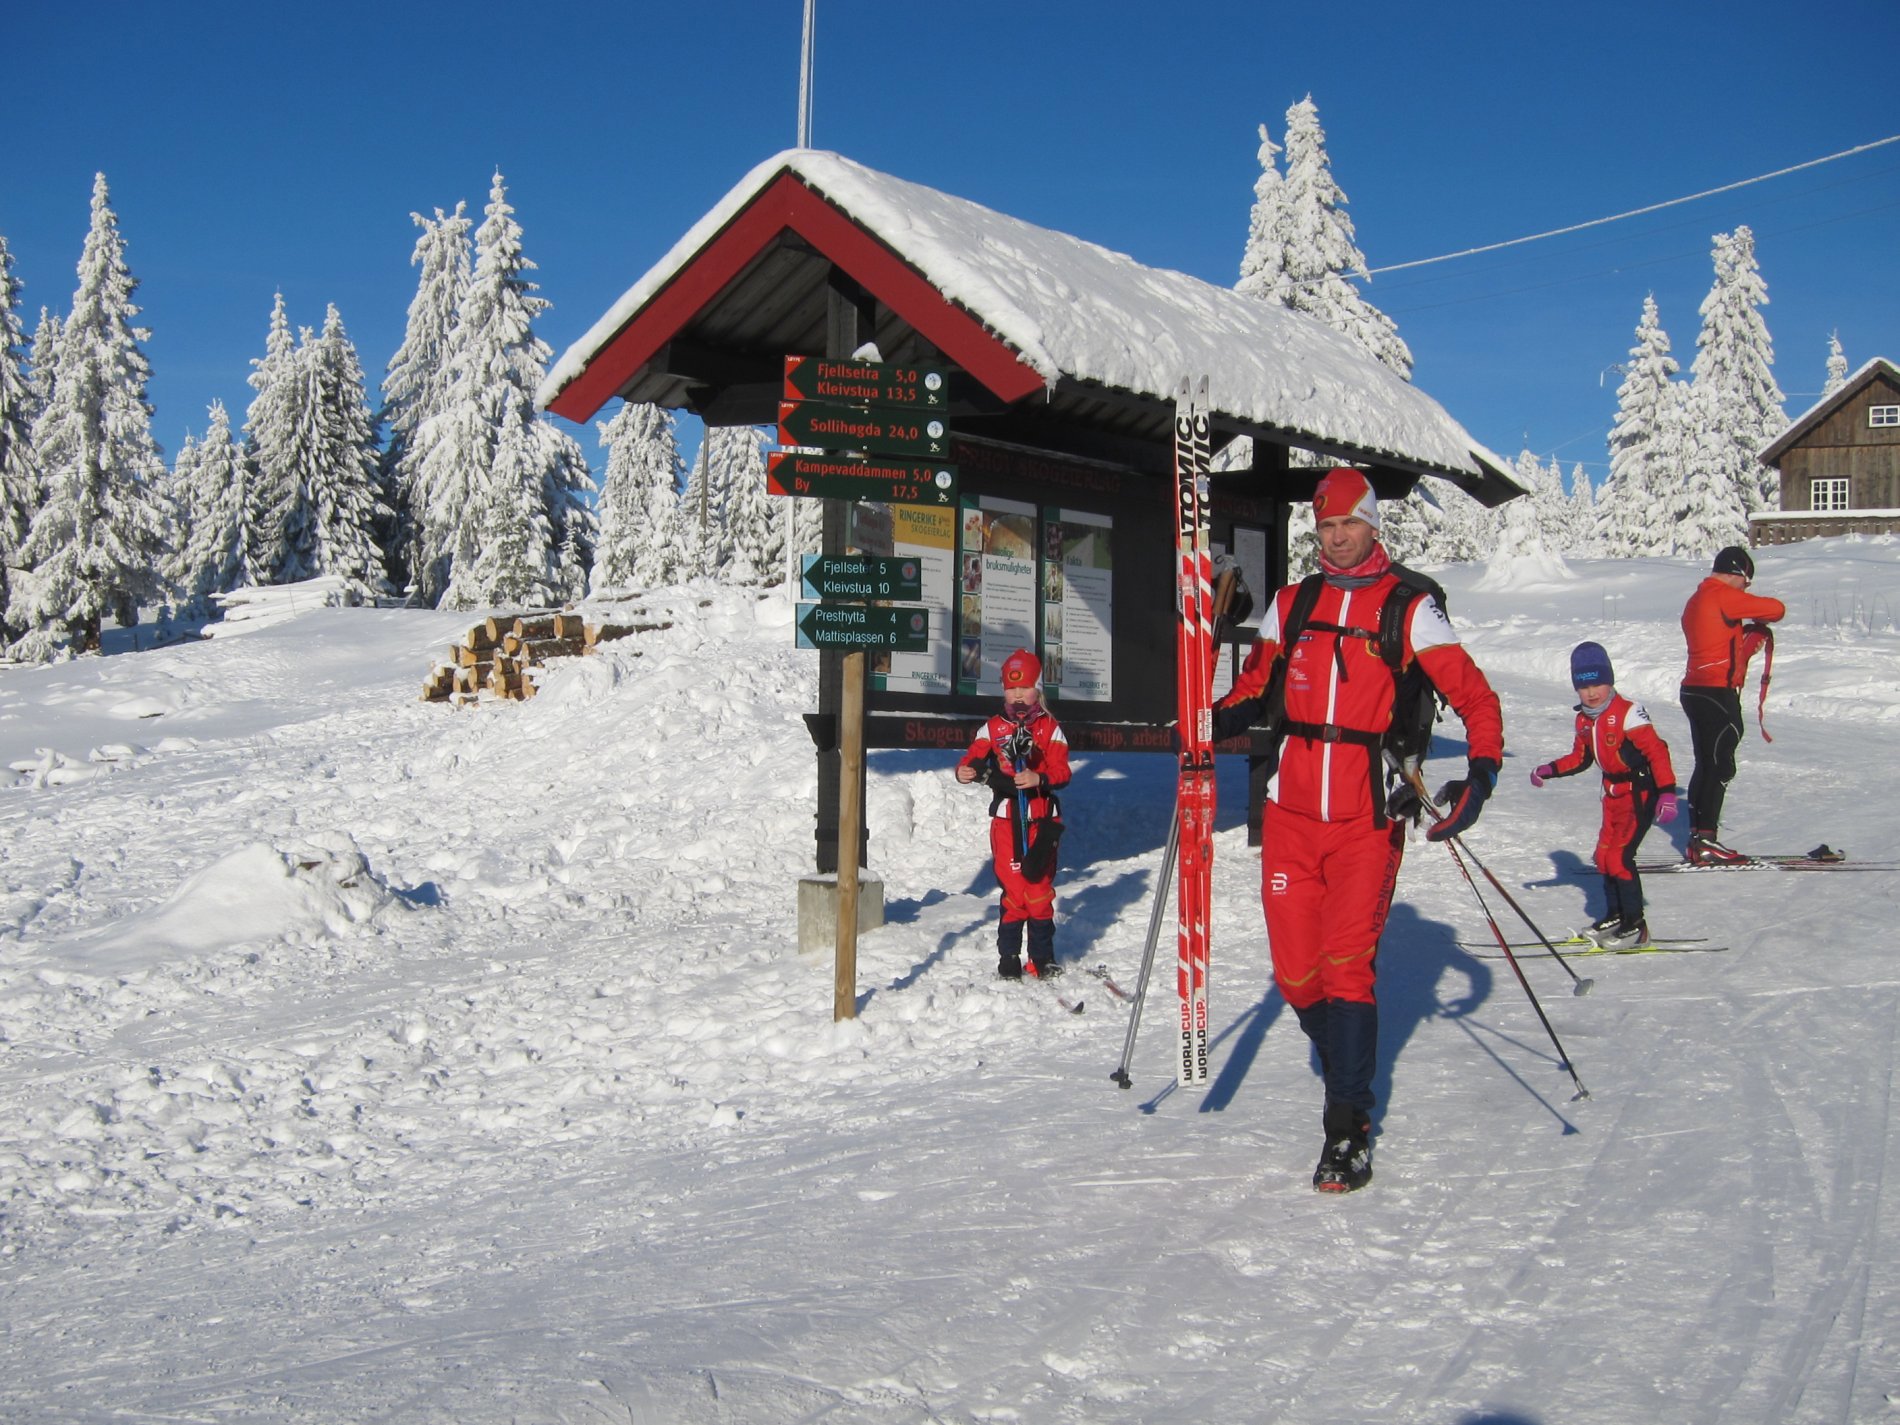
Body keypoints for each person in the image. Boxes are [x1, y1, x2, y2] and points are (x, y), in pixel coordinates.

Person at [1211, 468, 1504, 1193]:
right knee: (1296, 975)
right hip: (1288, 813)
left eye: (1348, 524)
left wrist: (1483, 773)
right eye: (1326, 526)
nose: (1336, 538)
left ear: (1374, 524)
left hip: (1365, 819)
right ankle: (1346, 1064)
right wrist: (1213, 718)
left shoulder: (1410, 608)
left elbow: (1474, 695)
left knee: (1346, 970)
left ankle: (1347, 1125)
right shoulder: (1293, 602)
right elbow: (1253, 687)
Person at [1529, 642, 1679, 945]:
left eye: (1597, 683)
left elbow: (1657, 752)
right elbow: (1581, 758)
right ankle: (1615, 915)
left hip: (1640, 792)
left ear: (1609, 681)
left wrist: (1667, 792)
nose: (1591, 692)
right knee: (1604, 857)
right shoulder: (1585, 719)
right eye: (1583, 686)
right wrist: (1550, 769)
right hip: (1613, 795)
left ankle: (1636, 925)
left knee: (1621, 856)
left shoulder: (1628, 712)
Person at [956, 648, 1071, 979]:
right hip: (1007, 821)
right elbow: (971, 759)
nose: (1018, 694)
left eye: (1024, 687)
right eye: (1011, 688)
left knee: (1039, 889)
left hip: (1042, 820)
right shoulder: (992, 728)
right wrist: (965, 771)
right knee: (1015, 890)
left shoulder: (1051, 728)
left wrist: (1040, 778)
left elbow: (1063, 771)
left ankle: (1042, 958)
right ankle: (1008, 957)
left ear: (1037, 687)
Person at [1679, 545, 1784, 864]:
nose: (1747, 588)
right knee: (1720, 764)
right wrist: (1755, 614)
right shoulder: (1721, 594)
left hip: (1695, 689)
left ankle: (1699, 837)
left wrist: (1745, 643)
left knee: (1706, 762)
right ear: (1738, 573)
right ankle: (1706, 840)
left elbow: (1716, 647)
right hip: (1715, 692)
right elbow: (1776, 609)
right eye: (1747, 581)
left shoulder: (1696, 600)